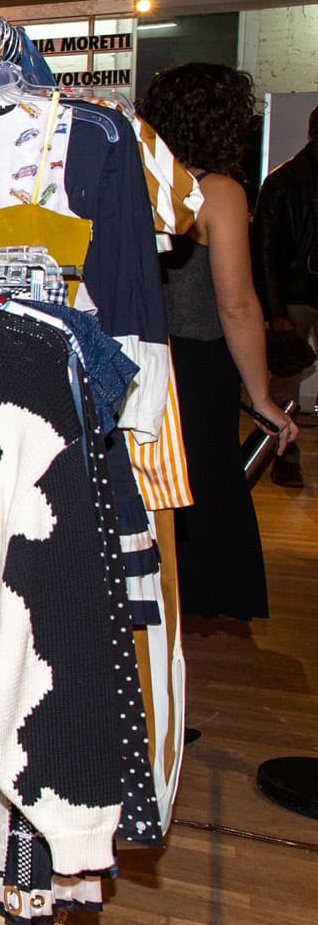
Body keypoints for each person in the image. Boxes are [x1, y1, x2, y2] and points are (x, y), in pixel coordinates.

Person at [140, 63, 297, 621]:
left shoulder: (141, 179)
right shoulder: (218, 191)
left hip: (140, 356)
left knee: (150, 486)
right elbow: (236, 304)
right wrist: (263, 396)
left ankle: (150, 609)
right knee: (201, 486)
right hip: (199, 365)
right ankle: (188, 607)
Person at [252, 103, 318, 486]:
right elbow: (264, 251)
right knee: (285, 380)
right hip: (293, 294)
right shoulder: (282, 182)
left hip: (297, 290)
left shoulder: (283, 181)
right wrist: (276, 311)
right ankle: (284, 455)